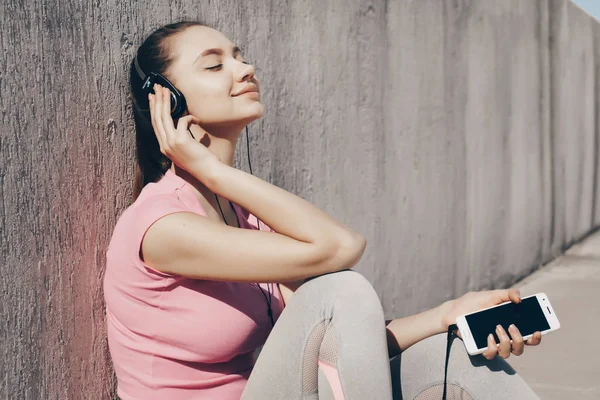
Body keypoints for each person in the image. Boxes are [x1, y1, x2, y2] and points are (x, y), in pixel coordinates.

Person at [103, 19, 543, 400]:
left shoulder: (241, 216)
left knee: (447, 360)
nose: (245, 68)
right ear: (167, 100)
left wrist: (448, 313)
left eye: (239, 56)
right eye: (216, 65)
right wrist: (207, 169)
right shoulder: (164, 227)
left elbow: (342, 339)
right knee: (340, 291)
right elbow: (340, 249)